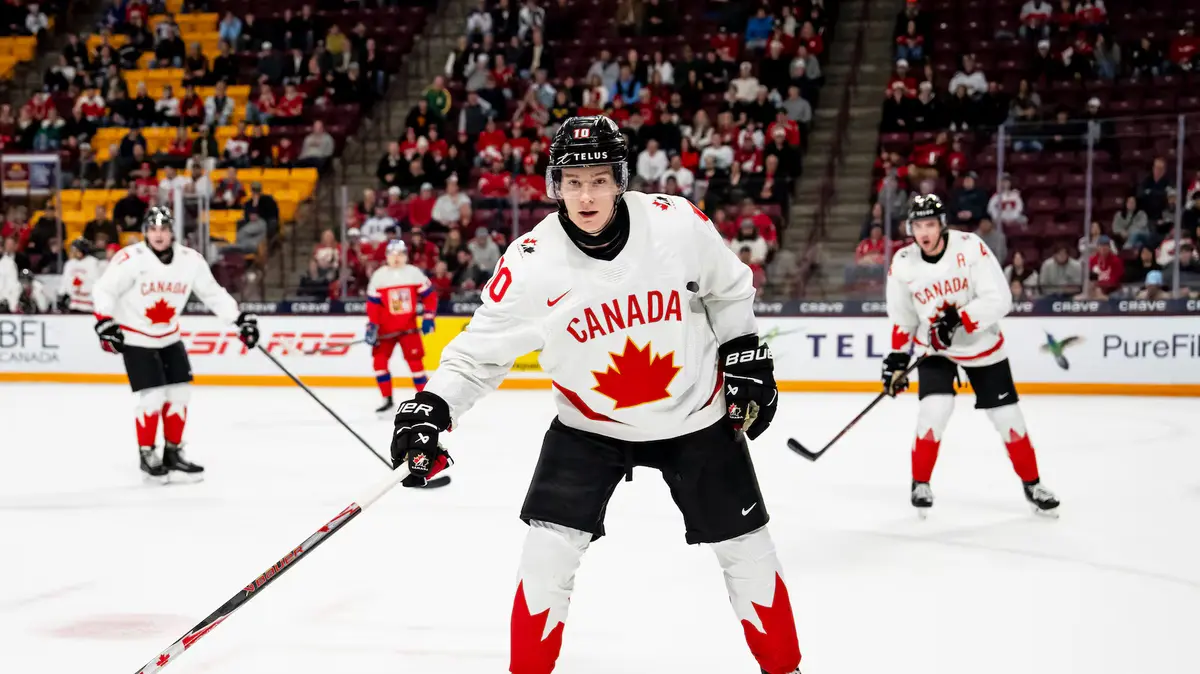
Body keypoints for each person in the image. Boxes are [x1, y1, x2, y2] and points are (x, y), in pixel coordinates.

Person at [387, 116, 801, 674]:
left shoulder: (675, 225)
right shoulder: (532, 262)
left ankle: (785, 668)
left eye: (599, 180)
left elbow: (729, 291)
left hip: (696, 416)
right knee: (545, 559)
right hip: (590, 427)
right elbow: (476, 354)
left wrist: (745, 350)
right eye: (573, 181)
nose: (586, 195)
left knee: (748, 550)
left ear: (621, 181)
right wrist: (430, 408)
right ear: (555, 185)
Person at [883, 194, 1060, 517]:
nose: (924, 232)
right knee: (935, 410)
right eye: (918, 225)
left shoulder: (970, 247)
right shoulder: (904, 261)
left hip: (982, 346)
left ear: (942, 225)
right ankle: (920, 483)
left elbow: (1000, 299)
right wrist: (896, 360)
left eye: (931, 224)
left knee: (1009, 419)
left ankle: (1033, 484)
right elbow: (903, 317)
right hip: (935, 349)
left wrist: (959, 319)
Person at [91, 207, 260, 482]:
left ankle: (173, 452)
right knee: (153, 397)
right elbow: (104, 289)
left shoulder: (189, 260)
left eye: (164, 229)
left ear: (172, 232)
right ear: (146, 231)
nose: (158, 235)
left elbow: (213, 293)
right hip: (136, 337)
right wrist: (105, 320)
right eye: (153, 229)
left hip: (169, 335)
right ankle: (147, 454)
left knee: (180, 394)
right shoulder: (131, 258)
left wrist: (239, 319)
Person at [365, 239, 437, 414]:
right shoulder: (379, 276)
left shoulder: (414, 273)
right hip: (385, 330)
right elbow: (372, 305)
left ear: (405, 255)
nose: (396, 258)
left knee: (416, 365)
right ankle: (387, 399)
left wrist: (428, 317)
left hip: (408, 329)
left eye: (400, 254)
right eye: (392, 254)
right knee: (379, 363)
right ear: (387, 256)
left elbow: (430, 296)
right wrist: (372, 326)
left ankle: (426, 401)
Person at [58, 239, 100, 313]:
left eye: (74, 250)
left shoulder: (93, 262)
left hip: (89, 305)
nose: (72, 252)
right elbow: (65, 281)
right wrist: (61, 294)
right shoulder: (69, 264)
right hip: (73, 304)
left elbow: (96, 282)